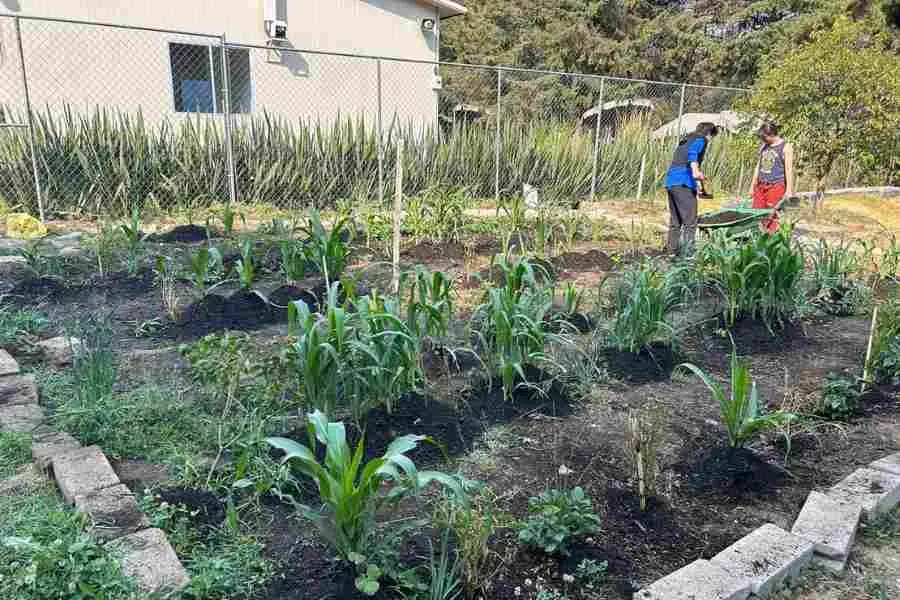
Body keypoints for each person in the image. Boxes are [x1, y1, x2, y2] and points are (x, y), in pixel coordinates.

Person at [664, 122, 719, 254]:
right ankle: (688, 255)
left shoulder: (686, 140)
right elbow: (693, 155)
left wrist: (698, 185)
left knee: (675, 221)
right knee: (690, 222)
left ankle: (671, 252)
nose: (711, 140)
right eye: (712, 137)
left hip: (671, 182)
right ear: (709, 133)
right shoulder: (700, 139)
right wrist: (696, 173)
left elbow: (683, 162)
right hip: (683, 182)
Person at [750, 122, 794, 232]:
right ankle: (759, 239)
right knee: (757, 214)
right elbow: (758, 166)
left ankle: (771, 240)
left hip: (776, 186)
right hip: (761, 186)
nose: (762, 139)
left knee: (772, 215)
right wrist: (752, 185)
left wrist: (789, 190)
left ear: (771, 134)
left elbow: (789, 169)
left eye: (764, 137)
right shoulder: (764, 146)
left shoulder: (786, 147)